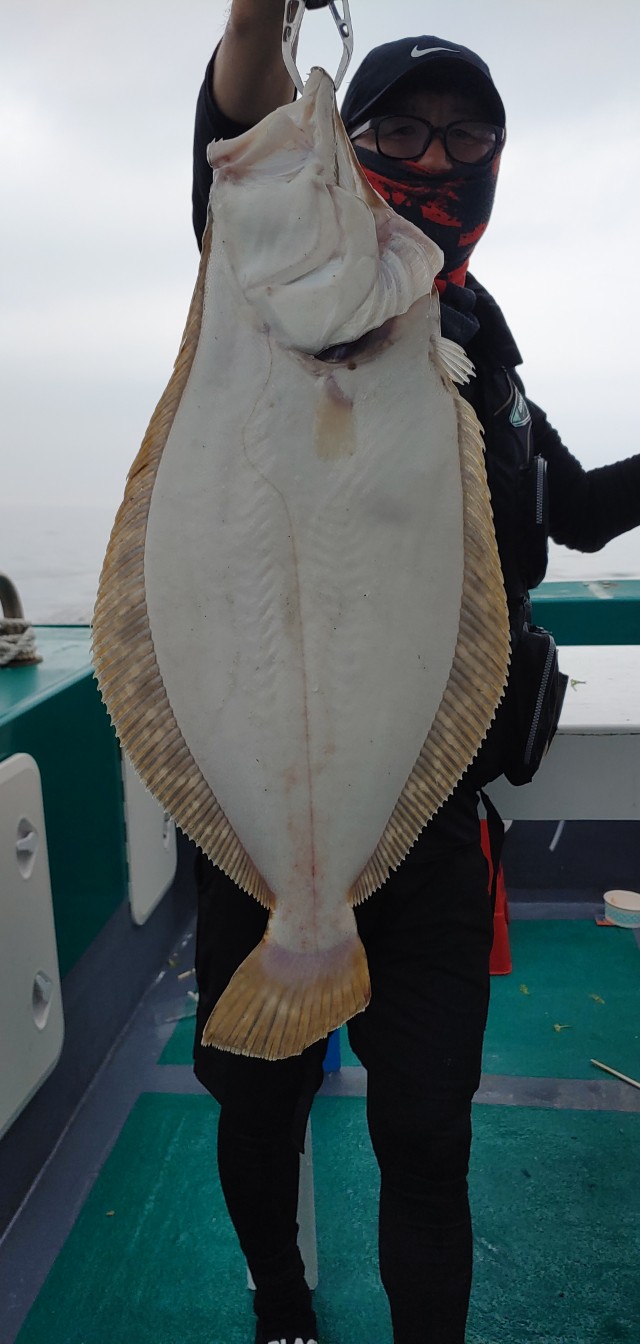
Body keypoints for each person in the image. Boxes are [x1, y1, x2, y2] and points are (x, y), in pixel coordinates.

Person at [189, 6, 640, 1343]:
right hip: (263, 815)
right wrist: (257, 18)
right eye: (397, 128)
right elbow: (241, 119)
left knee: (429, 1127)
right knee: (257, 1099)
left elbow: (571, 508)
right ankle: (283, 1303)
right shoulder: (277, 279)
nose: (435, 155)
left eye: (466, 133)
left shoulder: (480, 336)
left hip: (432, 815)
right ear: (348, 145)